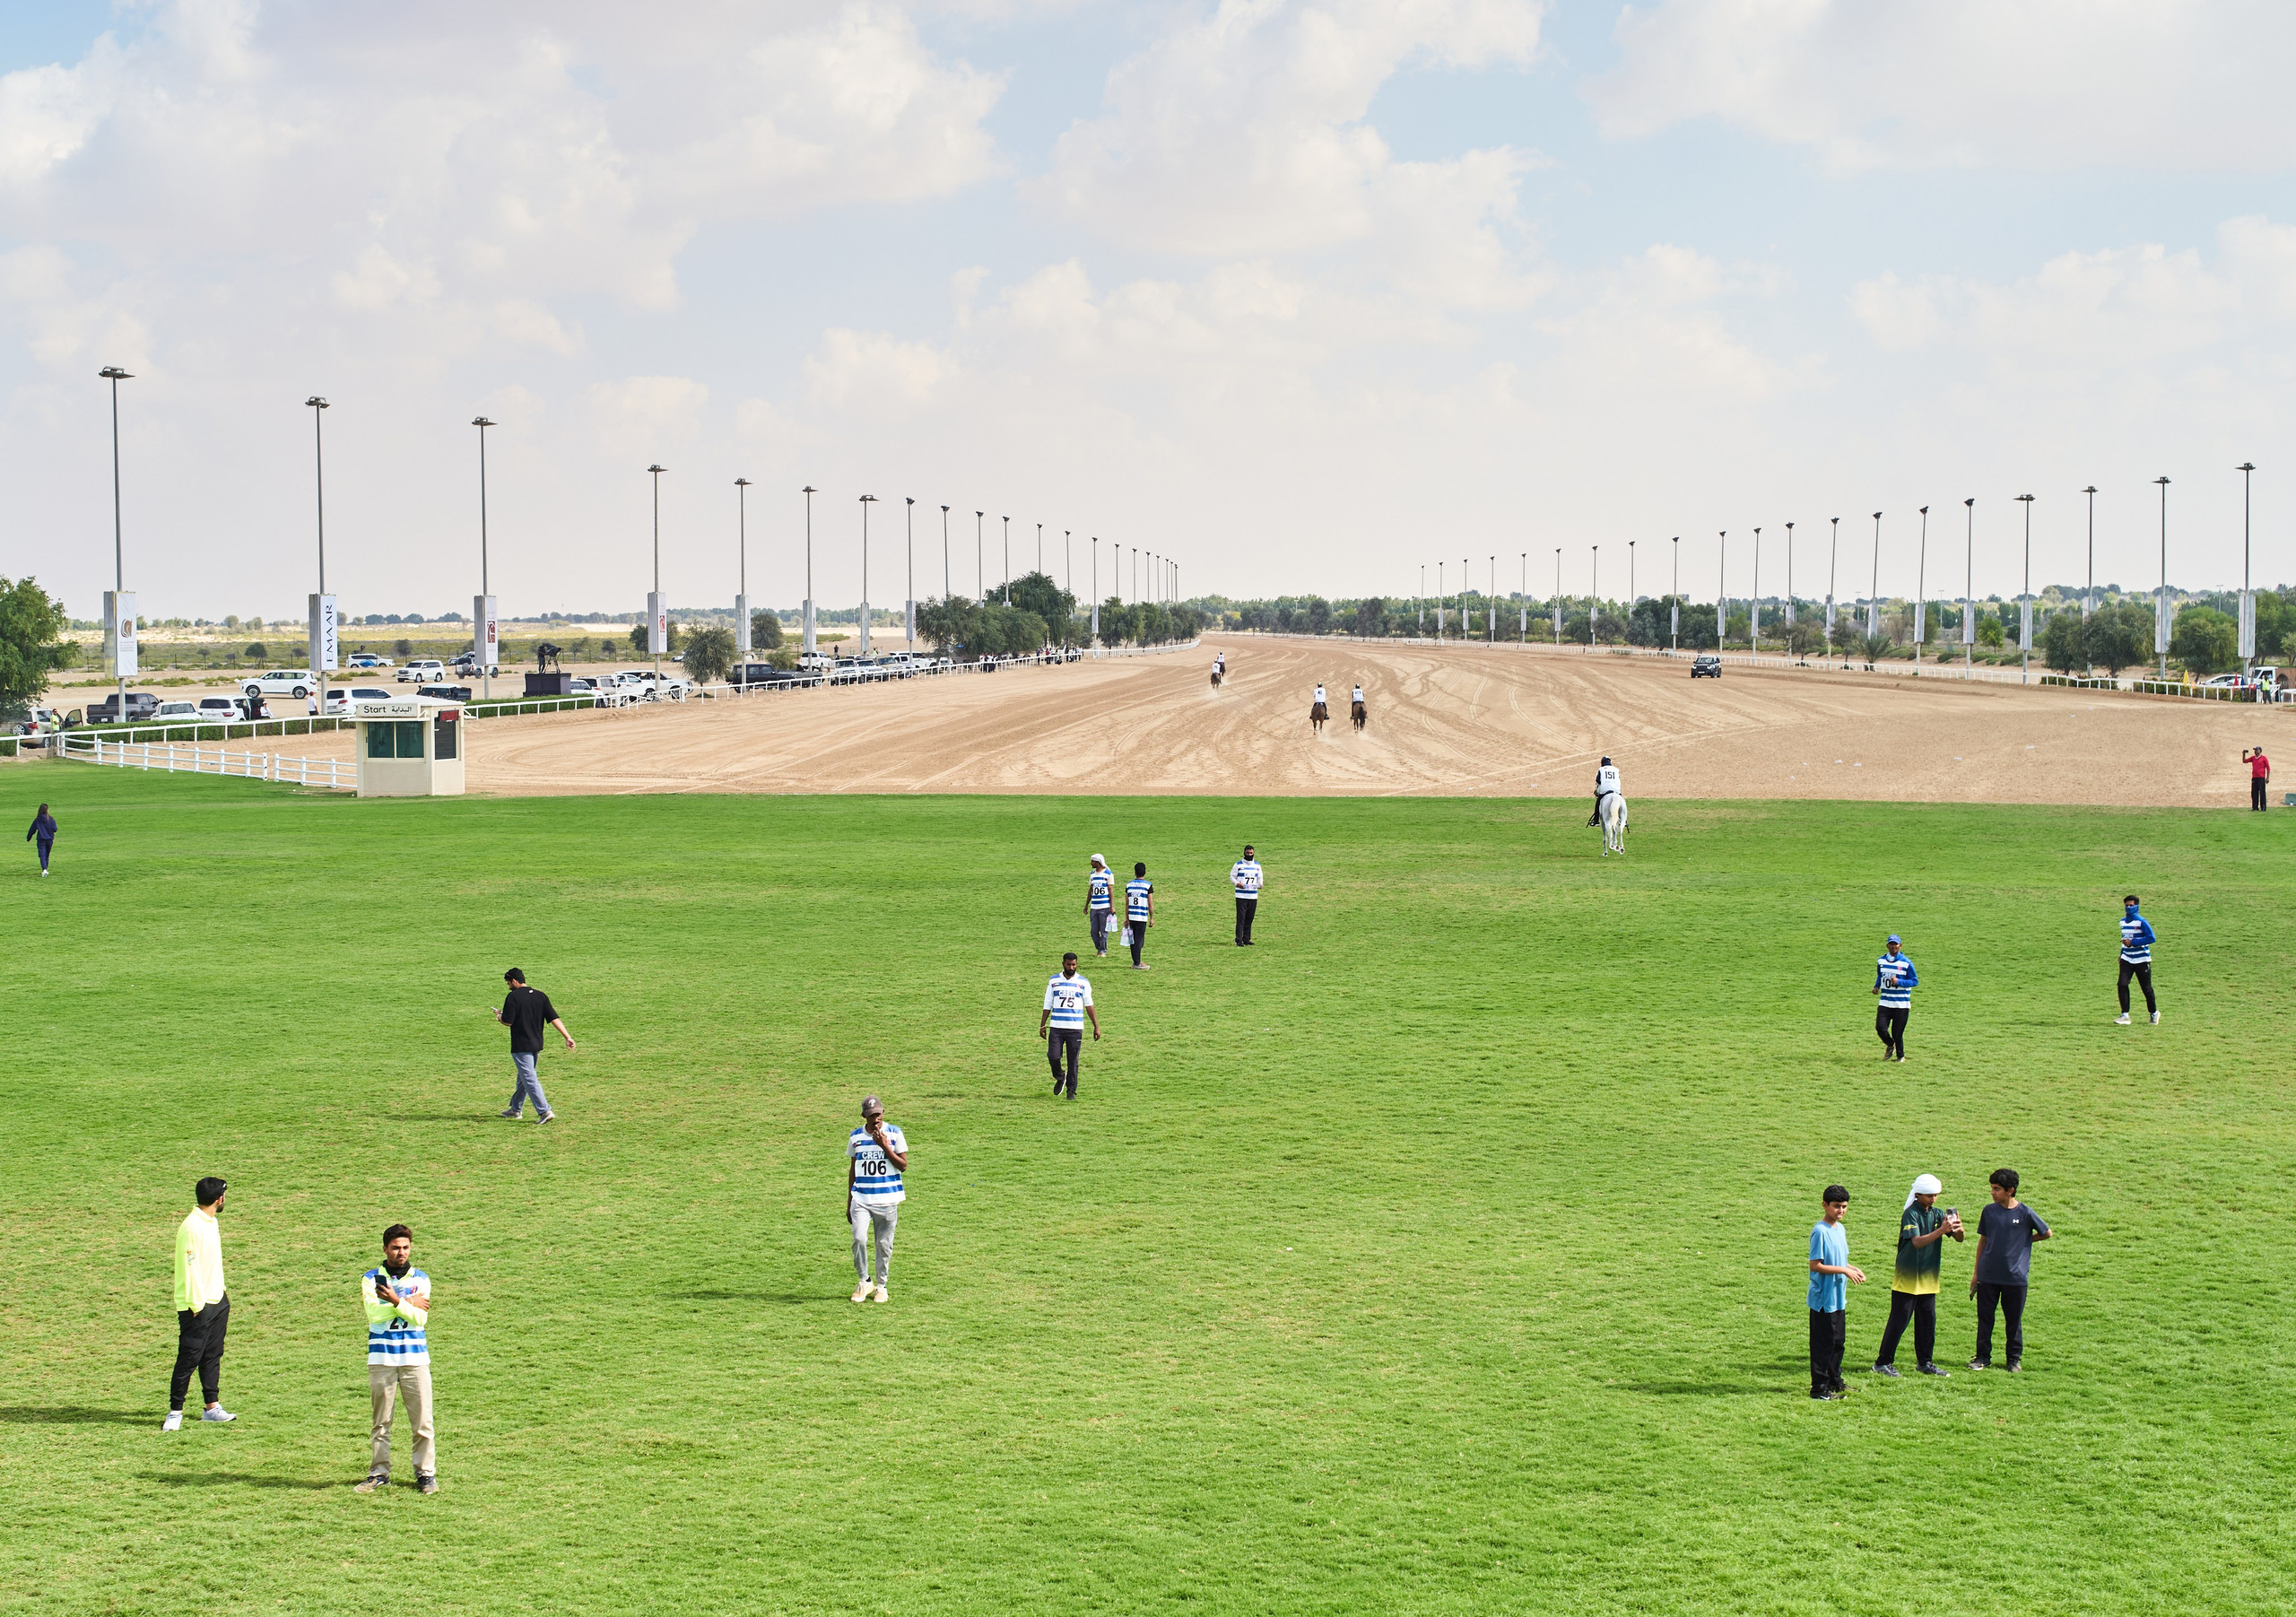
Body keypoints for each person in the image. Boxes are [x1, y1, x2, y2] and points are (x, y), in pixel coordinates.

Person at [355, 1223, 436, 1494]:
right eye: (396, 1248)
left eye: (405, 1247)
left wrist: (392, 1300)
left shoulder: (421, 1278)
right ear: (385, 1249)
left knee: (423, 1422)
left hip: (415, 1360)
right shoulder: (371, 1278)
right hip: (382, 1359)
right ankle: (379, 1473)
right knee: (381, 1422)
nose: (401, 1252)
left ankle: (425, 1475)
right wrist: (406, 1302)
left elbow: (420, 1318)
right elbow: (374, 1316)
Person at [1872, 1174, 1963, 1378]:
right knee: (1899, 1320)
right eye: (1929, 1195)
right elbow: (1917, 1242)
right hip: (1908, 1275)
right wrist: (1942, 1230)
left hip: (1929, 1277)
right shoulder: (1910, 1214)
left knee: (1927, 1321)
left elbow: (1959, 1239)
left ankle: (1925, 1362)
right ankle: (1882, 1362)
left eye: (1936, 1195)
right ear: (1918, 1194)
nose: (1933, 1199)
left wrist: (1958, 1229)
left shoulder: (1938, 1214)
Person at [165, 1177, 233, 1430]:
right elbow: (190, 1267)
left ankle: (211, 1407)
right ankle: (175, 1412)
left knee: (212, 1355)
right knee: (188, 1358)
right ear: (219, 1199)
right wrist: (197, 1305)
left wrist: (222, 1294)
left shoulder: (210, 1222)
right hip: (198, 1305)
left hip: (216, 1300)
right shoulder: (193, 1227)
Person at [1970, 1168, 2051, 1372]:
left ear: (2010, 1190)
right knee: (1985, 1318)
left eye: (1996, 1189)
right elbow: (1983, 1241)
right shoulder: (1989, 1211)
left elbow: (2046, 1232)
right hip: (1988, 1276)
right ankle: (1982, 1357)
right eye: (1992, 1188)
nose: (1992, 1192)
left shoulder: (2025, 1213)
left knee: (2013, 1321)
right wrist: (1976, 1273)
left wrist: (2025, 1240)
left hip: (2015, 1278)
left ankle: (2013, 1360)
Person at [847, 1096, 908, 1303]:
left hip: (887, 1198)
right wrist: (849, 1202)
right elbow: (853, 1169)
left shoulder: (895, 1133)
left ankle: (881, 1286)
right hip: (861, 1198)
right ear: (864, 1115)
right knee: (858, 1239)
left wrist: (884, 1146)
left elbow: (903, 1165)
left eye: (879, 1114)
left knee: (884, 1244)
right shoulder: (855, 1136)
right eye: (872, 1115)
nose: (876, 1118)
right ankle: (865, 1281)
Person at [1806, 1185, 1864, 1401]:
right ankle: (1819, 1389)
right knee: (1824, 1344)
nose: (1841, 1210)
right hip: (1823, 1298)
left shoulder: (1840, 1229)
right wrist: (1843, 1270)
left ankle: (1834, 1380)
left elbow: (1839, 1259)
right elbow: (1815, 1265)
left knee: (1838, 1341)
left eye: (1844, 1207)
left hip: (1838, 1297)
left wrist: (1851, 1267)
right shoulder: (1820, 1231)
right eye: (1837, 1206)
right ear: (1825, 1205)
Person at [495, 967, 575, 1121]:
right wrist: (568, 1037)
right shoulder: (540, 996)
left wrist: (499, 1015)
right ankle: (515, 1109)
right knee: (523, 1078)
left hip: (521, 1045)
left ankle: (544, 1111)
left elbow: (508, 1021)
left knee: (529, 1078)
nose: (508, 986)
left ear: (514, 981)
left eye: (508, 983)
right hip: (536, 1044)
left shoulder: (513, 997)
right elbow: (554, 1018)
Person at [1039, 952, 1100, 1099]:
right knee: (1053, 1056)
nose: (1071, 967)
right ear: (1063, 964)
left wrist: (1096, 1026)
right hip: (1056, 1027)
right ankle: (1060, 1076)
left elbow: (1089, 1005)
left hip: (1075, 1028)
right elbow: (1048, 1003)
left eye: (1074, 964)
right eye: (1068, 964)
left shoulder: (1083, 982)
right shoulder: (1054, 981)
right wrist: (1042, 1025)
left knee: (1073, 1061)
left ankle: (1071, 1090)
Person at [1873, 935, 1917, 1060]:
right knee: (1880, 1028)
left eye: (1896, 944)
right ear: (1887, 946)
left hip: (1901, 1005)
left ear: (1900, 946)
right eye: (1891, 944)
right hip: (1885, 1002)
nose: (1893, 947)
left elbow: (1914, 981)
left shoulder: (1906, 963)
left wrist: (1899, 982)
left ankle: (1900, 1056)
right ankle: (1891, 1045)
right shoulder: (1881, 961)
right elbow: (1880, 976)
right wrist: (1877, 986)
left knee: (1897, 1033)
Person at [2116, 894, 2158, 1026]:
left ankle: (2154, 1013)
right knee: (2122, 984)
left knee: (2146, 988)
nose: (2129, 907)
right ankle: (2125, 1015)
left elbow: (2151, 938)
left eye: (2131, 905)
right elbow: (2125, 939)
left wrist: (2133, 942)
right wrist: (2122, 953)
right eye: (2127, 905)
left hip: (2142, 959)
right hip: (2127, 959)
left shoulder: (2142, 922)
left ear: (2137, 906)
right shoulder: (2122, 922)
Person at [1231, 843, 1264, 945]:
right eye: (1248, 853)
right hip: (1241, 895)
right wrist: (1237, 884)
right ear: (1244, 853)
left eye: (1251, 853)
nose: (1249, 854)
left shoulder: (1257, 865)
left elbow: (1260, 877)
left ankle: (1247, 938)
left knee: (1250, 918)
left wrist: (1260, 884)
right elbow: (1231, 877)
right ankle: (1238, 939)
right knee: (1241, 918)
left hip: (1253, 895)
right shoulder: (1238, 865)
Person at [1124, 861, 1155, 969]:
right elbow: (1150, 903)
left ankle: (1135, 961)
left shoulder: (1129, 885)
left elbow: (1127, 903)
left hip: (1131, 916)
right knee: (1139, 940)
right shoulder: (1148, 885)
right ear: (1145, 872)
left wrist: (1126, 918)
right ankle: (1137, 963)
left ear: (1135, 872)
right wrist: (1152, 918)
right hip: (1141, 917)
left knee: (1133, 940)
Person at [1085, 854, 1115, 959]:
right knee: (1094, 931)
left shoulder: (1108, 874)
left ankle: (1102, 951)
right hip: (1094, 907)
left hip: (1104, 907)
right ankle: (1099, 948)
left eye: (1092, 861)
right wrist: (1086, 905)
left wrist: (1112, 906)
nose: (1091, 863)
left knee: (1103, 930)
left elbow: (1111, 891)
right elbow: (1091, 890)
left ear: (1098, 862)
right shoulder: (1092, 874)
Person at [1587, 756, 1621, 828]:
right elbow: (1618, 779)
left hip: (1605, 790)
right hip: (1616, 791)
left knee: (1598, 803)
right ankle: (1623, 820)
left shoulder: (1601, 769)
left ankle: (1596, 821)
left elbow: (1598, 780)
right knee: (1621, 802)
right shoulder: (1616, 770)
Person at [26, 802, 56, 876]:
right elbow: (55, 829)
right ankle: (45, 869)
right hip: (50, 839)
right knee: (47, 855)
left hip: (41, 839)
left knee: (42, 854)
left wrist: (28, 838)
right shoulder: (51, 819)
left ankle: (44, 869)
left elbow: (32, 830)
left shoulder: (38, 820)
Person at [2244, 744, 2270, 812]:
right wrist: (2244, 754)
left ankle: (2263, 807)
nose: (2255, 752)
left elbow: (2268, 768)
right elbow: (2245, 761)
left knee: (2262, 793)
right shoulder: (2253, 758)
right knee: (2254, 793)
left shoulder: (2264, 758)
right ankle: (2255, 807)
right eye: (2255, 750)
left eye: (2257, 750)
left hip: (2261, 778)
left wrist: (2267, 778)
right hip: (2254, 778)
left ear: (2260, 751)